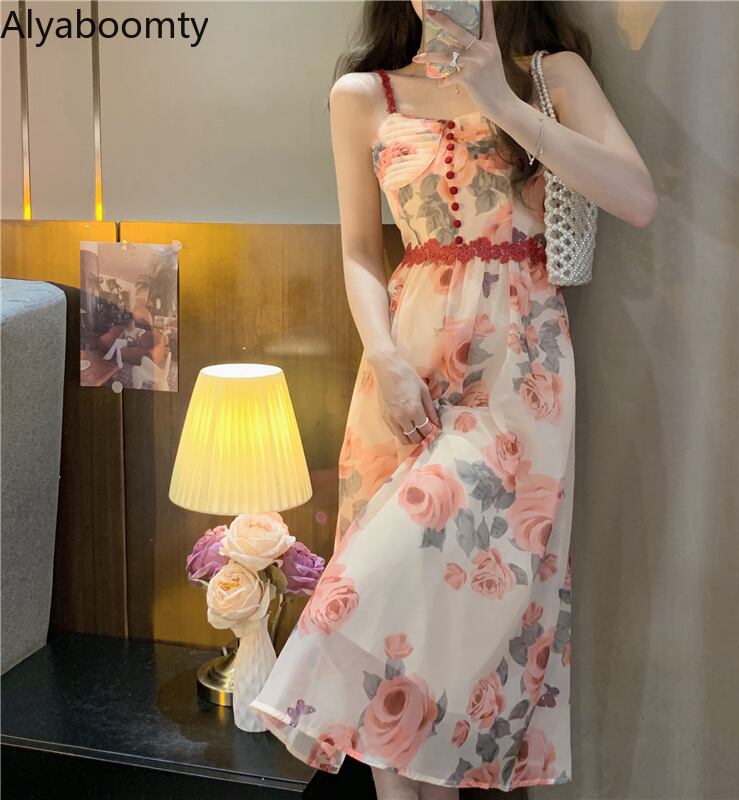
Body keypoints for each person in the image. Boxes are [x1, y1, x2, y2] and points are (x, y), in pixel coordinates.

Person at [250, 1, 657, 797]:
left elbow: (635, 196)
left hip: (518, 374)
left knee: (441, 606)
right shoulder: (363, 95)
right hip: (405, 368)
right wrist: (385, 358)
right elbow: (359, 251)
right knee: (403, 626)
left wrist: (501, 100)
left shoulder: (549, 75)